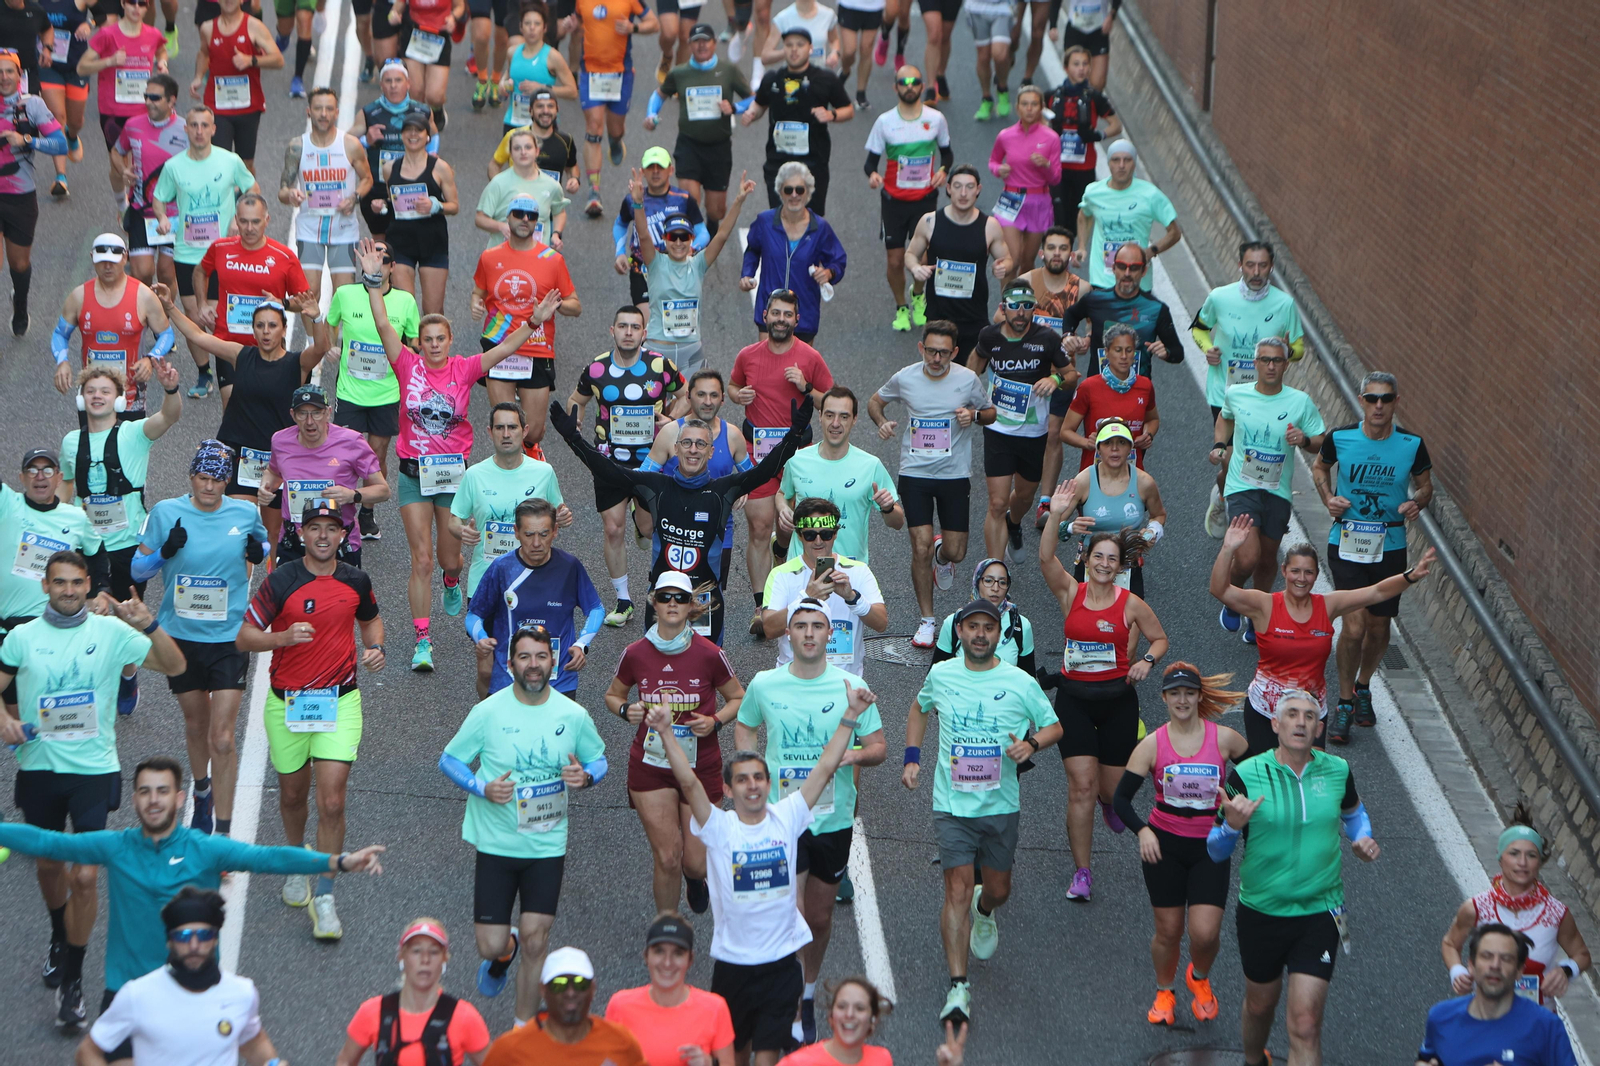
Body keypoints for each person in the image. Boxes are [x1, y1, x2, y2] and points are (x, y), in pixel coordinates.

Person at [0, 756, 384, 1051]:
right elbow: (49, 843)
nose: (154, 800)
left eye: (163, 791)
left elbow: (267, 858)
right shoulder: (115, 847)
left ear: (179, 798)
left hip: (194, 992)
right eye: (146, 791)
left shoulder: (204, 850)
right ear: (134, 798)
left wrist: (337, 861)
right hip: (124, 994)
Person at [0, 552, 184, 1028]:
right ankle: (59, 935)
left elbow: (175, 664)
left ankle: (74, 982)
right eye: (58, 583)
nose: (67, 590)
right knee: (48, 866)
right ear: (45, 587)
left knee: (84, 875)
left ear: (87, 586)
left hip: (94, 770)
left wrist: (148, 625)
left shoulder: (110, 633)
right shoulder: (21, 638)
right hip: (39, 769)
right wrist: (4, 719)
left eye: (76, 582)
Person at [653, 661, 867, 1066]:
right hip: (733, 967)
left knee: (767, 1058)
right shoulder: (718, 827)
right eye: (743, 779)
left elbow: (823, 768)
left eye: (758, 778)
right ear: (730, 790)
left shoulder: (788, 816)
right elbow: (687, 782)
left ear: (769, 785)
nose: (752, 785)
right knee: (733, 1056)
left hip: (782, 966)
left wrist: (850, 715)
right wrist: (665, 731)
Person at [355, 240, 537, 670]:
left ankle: (452, 580)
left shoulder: (465, 368)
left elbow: (505, 350)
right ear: (419, 342)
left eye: (441, 339)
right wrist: (373, 282)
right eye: (428, 339)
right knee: (419, 557)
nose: (434, 345)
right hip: (413, 473)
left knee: (447, 558)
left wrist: (534, 322)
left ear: (451, 341)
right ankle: (423, 640)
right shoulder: (407, 364)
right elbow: (383, 326)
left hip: (454, 478)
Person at [902, 598, 1063, 1027]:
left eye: (987, 628)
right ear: (959, 633)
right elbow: (919, 709)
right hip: (951, 803)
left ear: (997, 635)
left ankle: (986, 910)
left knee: (998, 889)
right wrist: (912, 757)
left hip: (1000, 804)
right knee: (954, 888)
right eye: (971, 627)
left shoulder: (1019, 682)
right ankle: (959, 986)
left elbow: (1053, 726)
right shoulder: (942, 674)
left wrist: (1031, 745)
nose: (979, 634)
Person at [437, 625, 607, 1025]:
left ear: (553, 662)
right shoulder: (488, 712)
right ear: (510, 663)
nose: (534, 665)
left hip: (547, 845)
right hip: (497, 842)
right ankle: (503, 949)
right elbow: (449, 759)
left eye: (541, 657)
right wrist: (481, 787)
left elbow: (599, 759)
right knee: (489, 944)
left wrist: (586, 778)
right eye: (525, 657)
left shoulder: (572, 714)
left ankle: (521, 1033)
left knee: (537, 941)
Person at [236, 500, 387, 940]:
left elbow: (372, 623)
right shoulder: (281, 580)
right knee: (291, 796)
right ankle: (295, 859)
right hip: (288, 704)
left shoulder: (356, 579)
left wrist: (376, 648)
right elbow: (244, 636)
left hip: (339, 703)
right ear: (301, 533)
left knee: (333, 801)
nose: (323, 535)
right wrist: (281, 637)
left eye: (332, 528)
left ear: (344, 535)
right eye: (315, 527)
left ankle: (325, 893)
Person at [551, 395, 815, 645]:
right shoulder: (655, 485)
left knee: (704, 675)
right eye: (686, 443)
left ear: (711, 452)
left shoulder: (723, 491)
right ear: (675, 449)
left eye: (701, 444)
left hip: (705, 601)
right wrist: (571, 437)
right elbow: (607, 470)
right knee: (656, 668)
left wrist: (794, 434)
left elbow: (765, 471)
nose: (693, 450)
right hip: (662, 598)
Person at [738, 596, 886, 1042]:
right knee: (793, 910)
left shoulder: (849, 685)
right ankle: (781, 994)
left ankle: (805, 991)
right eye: (799, 625)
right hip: (784, 819)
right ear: (789, 634)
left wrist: (845, 757)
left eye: (816, 626)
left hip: (833, 818)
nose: (806, 633)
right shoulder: (765, 683)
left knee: (819, 918)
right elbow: (745, 723)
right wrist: (747, 769)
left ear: (830, 634)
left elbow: (878, 747)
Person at [1207, 690, 1380, 1066]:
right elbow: (1215, 851)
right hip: (1262, 910)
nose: (1301, 722)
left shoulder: (1338, 770)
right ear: (1275, 724)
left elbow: (1354, 814)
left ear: (1319, 728)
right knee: (1260, 1005)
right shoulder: (1247, 775)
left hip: (1322, 912)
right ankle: (1254, 1059)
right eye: (1292, 715)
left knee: (1305, 1023)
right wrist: (1231, 828)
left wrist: (1362, 837)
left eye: (1309, 716)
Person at [1039, 475, 1167, 902]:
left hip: (1117, 703)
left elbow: (1160, 639)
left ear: (1121, 565)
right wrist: (1057, 515)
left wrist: (1147, 662)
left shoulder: (1130, 603)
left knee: (1109, 791)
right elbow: (1044, 561)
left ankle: (1111, 802)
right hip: (1074, 699)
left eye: (1113, 559)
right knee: (1080, 786)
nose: (1106, 564)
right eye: (1099, 556)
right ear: (1087, 558)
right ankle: (1082, 872)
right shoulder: (1070, 593)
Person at [132, 440, 268, 838]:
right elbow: (139, 571)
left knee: (222, 737)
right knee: (196, 725)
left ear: (227, 481)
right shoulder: (166, 512)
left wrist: (256, 552)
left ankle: (222, 833)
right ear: (191, 477)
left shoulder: (244, 512)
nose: (209, 487)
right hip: (181, 639)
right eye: (203, 478)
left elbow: (261, 546)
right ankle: (202, 791)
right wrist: (164, 552)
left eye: (218, 480)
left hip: (228, 637)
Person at [1212, 518, 1436, 758]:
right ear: (1284, 571)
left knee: (1313, 777)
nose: (1301, 578)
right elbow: (1219, 589)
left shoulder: (1328, 606)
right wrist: (1228, 549)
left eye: (1309, 572)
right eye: (1295, 571)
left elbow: (1376, 592)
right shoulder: (1264, 605)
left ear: (1317, 575)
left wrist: (1411, 576)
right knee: (1269, 782)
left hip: (1310, 713)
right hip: (1266, 711)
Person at [1112, 662, 1248, 1026]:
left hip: (1210, 847)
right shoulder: (1152, 745)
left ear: (1200, 696)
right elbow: (1121, 799)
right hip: (1164, 846)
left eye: (1189, 692)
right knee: (1168, 930)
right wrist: (1142, 831)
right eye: (1175, 694)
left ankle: (1199, 978)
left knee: (1205, 933)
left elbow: (1256, 773)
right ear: (1165, 698)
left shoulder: (1224, 739)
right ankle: (1164, 990)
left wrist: (1232, 799)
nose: (1183, 700)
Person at [605, 571, 743, 915]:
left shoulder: (709, 654)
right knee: (667, 857)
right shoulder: (635, 653)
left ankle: (696, 879)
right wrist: (626, 710)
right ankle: (667, 930)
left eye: (679, 598)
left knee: (694, 863)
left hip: (701, 767)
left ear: (690, 606)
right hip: (651, 766)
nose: (671, 604)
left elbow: (739, 697)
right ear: (653, 602)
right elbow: (613, 694)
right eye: (664, 597)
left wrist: (715, 721)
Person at [155, 287, 327, 552]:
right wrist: (169, 307)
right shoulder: (241, 355)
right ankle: (238, 590)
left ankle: (271, 588)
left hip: (276, 462)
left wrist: (316, 318)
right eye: (260, 326)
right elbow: (197, 335)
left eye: (272, 326)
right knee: (238, 531)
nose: (266, 331)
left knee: (272, 535)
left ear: (283, 329)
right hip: (239, 457)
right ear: (253, 330)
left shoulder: (297, 363)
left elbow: (320, 347)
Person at [1312, 371, 1434, 741]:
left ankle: (1364, 685)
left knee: (1380, 627)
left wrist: (1417, 503)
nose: (1378, 405)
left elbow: (1426, 486)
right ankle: (1345, 702)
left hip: (1390, 545)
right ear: (1361, 401)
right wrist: (1327, 498)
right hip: (1348, 542)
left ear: (1396, 402)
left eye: (1385, 399)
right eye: (1371, 398)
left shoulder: (1412, 444)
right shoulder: (1340, 438)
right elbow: (1319, 467)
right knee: (1354, 626)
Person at [868, 320, 995, 648]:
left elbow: (990, 412)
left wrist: (975, 417)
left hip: (954, 474)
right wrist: (882, 423)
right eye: (931, 351)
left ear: (954, 352)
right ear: (921, 348)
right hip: (915, 473)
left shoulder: (967, 380)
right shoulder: (906, 377)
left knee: (957, 551)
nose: (936, 358)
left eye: (944, 352)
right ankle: (927, 620)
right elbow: (874, 402)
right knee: (918, 545)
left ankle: (943, 554)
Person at [566, 303, 687, 621]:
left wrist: (670, 419)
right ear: (613, 331)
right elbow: (576, 400)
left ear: (644, 333)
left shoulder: (660, 366)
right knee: (612, 528)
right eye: (623, 326)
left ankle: (640, 521)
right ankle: (623, 601)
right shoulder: (596, 369)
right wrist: (574, 423)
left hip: (651, 462)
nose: (629, 332)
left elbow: (686, 392)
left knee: (650, 529)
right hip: (609, 462)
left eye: (635, 327)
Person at [78, 887, 282, 1066]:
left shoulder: (242, 993)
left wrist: (272, 1063)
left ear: (215, 940)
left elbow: (253, 1043)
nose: (194, 946)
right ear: (169, 942)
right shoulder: (137, 995)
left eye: (203, 935)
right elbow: (88, 1051)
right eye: (183, 936)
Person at [1208, 337, 1326, 641]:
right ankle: (1232, 597)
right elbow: (1224, 418)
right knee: (1247, 557)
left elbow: (1320, 441)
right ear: (1256, 363)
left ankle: (1256, 612)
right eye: (1265, 360)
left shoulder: (1299, 402)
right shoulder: (1237, 393)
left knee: (1266, 558)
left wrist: (1304, 440)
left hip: (1277, 490)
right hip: (1241, 485)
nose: (1271, 366)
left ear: (1286, 364)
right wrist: (1221, 445)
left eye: (1277, 360)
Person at [729, 290, 832, 631]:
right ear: (765, 314)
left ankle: (784, 550)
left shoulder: (810, 357)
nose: (781, 320)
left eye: (788, 315)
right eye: (776, 313)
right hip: (758, 452)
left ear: (797, 320)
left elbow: (830, 402)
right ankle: (762, 608)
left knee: (793, 527)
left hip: (798, 455)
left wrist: (806, 387)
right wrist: (737, 394)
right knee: (758, 527)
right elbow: (732, 386)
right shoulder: (748, 355)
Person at [149, 106, 260, 399]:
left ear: (213, 129)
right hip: (187, 252)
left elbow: (252, 189)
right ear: (186, 129)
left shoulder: (230, 160)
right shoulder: (174, 166)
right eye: (194, 125)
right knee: (195, 316)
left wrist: (238, 218)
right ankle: (203, 373)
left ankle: (232, 373)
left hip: (223, 251)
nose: (199, 131)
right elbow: (159, 198)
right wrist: (162, 217)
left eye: (204, 126)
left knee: (220, 316)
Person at [1440, 809, 1592, 1007]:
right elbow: (1450, 943)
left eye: (1531, 855)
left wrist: (1566, 970)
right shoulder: (1476, 908)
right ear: (1500, 857)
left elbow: (1582, 955)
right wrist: (1457, 972)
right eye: (1514, 853)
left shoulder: (1556, 914)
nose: (1522, 863)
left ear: (1540, 862)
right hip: (1487, 1020)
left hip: (1536, 1025)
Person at [58, 363, 183, 601]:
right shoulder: (70, 441)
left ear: (118, 400)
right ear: (81, 398)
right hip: (85, 546)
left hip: (126, 547)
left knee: (128, 618)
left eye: (105, 391)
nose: (97, 396)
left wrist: (171, 389)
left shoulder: (134, 433)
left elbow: (169, 416)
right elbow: (65, 483)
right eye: (90, 391)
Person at [471, 192, 581, 454]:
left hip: (537, 347)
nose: (524, 220)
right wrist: (475, 302)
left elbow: (575, 305)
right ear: (507, 217)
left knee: (534, 429)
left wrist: (554, 306)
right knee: (505, 423)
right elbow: (479, 291)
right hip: (499, 345)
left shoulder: (552, 260)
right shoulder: (489, 257)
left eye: (531, 216)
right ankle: (514, 479)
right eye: (518, 214)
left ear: (537, 221)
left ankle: (529, 458)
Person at [968, 279, 1070, 561]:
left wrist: (1055, 378)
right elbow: (971, 369)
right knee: (997, 503)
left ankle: (1014, 523)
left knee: (1023, 497)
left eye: (1027, 306)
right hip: (998, 429)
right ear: (1004, 308)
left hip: (1033, 433)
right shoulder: (989, 337)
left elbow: (1072, 375)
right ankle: (994, 572)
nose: (1021, 312)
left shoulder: (1047, 338)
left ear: (1034, 309)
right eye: (1015, 307)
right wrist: (966, 394)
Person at [327, 234, 418, 542]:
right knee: (346, 450)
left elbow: (414, 343)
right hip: (350, 391)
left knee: (377, 454)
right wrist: (329, 347)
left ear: (392, 267)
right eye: (372, 257)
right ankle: (340, 511)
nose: (377, 262)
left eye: (383, 258)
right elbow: (330, 324)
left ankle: (366, 510)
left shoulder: (405, 301)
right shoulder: (345, 294)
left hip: (386, 393)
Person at [466, 497, 603, 694]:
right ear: (516, 532)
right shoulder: (502, 568)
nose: (537, 543)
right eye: (529, 535)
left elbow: (596, 608)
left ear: (555, 531)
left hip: (559, 681)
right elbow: (474, 614)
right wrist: (481, 638)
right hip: (509, 681)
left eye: (544, 534)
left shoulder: (569, 567)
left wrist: (582, 644)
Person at [192, 193, 309, 407]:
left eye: (255, 221)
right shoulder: (221, 248)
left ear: (267, 220)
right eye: (244, 221)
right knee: (231, 408)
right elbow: (200, 271)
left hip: (269, 346)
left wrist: (282, 303)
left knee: (267, 408)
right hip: (228, 342)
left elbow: (305, 302)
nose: (249, 228)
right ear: (236, 220)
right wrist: (202, 305)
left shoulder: (284, 257)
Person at [450, 402, 571, 607]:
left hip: (534, 578)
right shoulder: (474, 475)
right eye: (499, 428)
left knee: (530, 639)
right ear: (490, 432)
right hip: (486, 580)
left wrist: (563, 517)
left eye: (512, 427)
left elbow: (559, 513)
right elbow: (454, 519)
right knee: (486, 639)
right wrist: (461, 531)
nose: (506, 434)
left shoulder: (544, 472)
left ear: (524, 431)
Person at [632, 174, 753, 378]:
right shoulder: (655, 262)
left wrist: (738, 201)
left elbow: (722, 235)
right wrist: (637, 204)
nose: (678, 243)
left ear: (691, 239)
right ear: (664, 238)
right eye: (673, 237)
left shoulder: (698, 264)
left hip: (691, 351)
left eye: (684, 237)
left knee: (691, 405)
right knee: (657, 407)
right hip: (658, 349)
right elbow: (643, 235)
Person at [258, 382, 390, 568]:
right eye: (302, 414)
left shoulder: (351, 442)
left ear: (328, 413)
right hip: (294, 542)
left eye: (317, 413)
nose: (310, 421)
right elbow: (273, 471)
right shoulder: (280, 441)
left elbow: (383, 490)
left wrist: (352, 495)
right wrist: (265, 486)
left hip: (338, 542)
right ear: (293, 415)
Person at [1418, 923, 1581, 1066]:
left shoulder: (1546, 1027)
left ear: (1519, 971)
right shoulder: (1440, 1017)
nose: (1495, 965)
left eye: (1506, 959)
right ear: (1471, 966)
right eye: (1486, 956)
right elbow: (1425, 1060)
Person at [52, 231, 175, 419]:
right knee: (93, 447)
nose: (107, 267)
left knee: (130, 447)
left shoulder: (143, 296)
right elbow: (60, 333)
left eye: (113, 261)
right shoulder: (79, 296)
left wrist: (150, 359)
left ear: (125, 257)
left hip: (131, 394)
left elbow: (166, 334)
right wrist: (62, 361)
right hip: (93, 394)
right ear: (92, 258)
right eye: (102, 261)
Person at [863, 63, 950, 332]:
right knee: (896, 260)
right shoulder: (885, 122)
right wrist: (873, 176)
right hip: (893, 201)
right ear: (895, 88)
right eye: (904, 82)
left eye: (915, 82)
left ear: (923, 86)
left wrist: (944, 171)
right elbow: (870, 163)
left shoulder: (935, 119)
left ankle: (918, 295)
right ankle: (901, 307)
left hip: (925, 199)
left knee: (923, 259)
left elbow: (947, 154)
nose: (909, 86)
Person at [338, 918, 493, 1066]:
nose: (425, 959)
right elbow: (345, 1061)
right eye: (416, 951)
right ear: (401, 956)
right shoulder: (373, 1012)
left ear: (444, 959)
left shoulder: (464, 1017)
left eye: (433, 952)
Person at [760, 496, 888, 673]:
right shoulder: (781, 574)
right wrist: (806, 598)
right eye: (810, 535)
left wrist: (852, 598)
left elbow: (881, 623)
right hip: (794, 684)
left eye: (826, 534)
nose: (819, 541)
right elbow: (769, 628)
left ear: (835, 534)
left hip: (843, 685)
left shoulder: (858, 571)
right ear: (799, 536)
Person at [777, 385, 903, 565]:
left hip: (849, 569)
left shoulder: (870, 465)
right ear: (819, 416)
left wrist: (888, 508)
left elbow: (897, 522)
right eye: (829, 415)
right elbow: (782, 494)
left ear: (854, 419)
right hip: (802, 567)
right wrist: (783, 508)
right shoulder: (797, 460)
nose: (835, 423)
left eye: (844, 417)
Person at [647, 370, 751, 586]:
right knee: (671, 603)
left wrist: (744, 488)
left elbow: (750, 475)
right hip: (673, 534)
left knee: (710, 604)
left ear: (723, 399)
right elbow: (642, 476)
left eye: (714, 395)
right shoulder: (670, 433)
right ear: (688, 397)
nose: (707, 401)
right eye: (701, 394)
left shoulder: (732, 435)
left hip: (718, 536)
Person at [1007, 228, 1081, 528]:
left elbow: (1093, 329)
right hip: (1027, 373)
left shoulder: (1082, 288)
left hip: (1063, 373)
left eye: (1063, 248)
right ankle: (1018, 491)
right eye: (1051, 247)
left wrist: (1083, 342)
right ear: (1041, 252)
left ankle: (1046, 501)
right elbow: (1001, 318)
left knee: (1053, 434)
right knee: (1021, 437)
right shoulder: (1026, 282)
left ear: (1071, 254)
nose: (1056, 253)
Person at [647, 23, 752, 234]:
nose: (701, 45)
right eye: (697, 41)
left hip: (718, 147)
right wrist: (651, 114)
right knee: (689, 201)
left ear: (714, 43)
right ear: (690, 45)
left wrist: (734, 108)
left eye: (706, 40)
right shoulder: (680, 72)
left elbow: (753, 98)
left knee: (716, 210)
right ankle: (693, 243)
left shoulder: (728, 70)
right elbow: (660, 94)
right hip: (689, 144)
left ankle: (711, 225)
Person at [904, 164, 1012, 360]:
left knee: (968, 377)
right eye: (958, 186)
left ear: (978, 190)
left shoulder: (989, 226)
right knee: (937, 371)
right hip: (938, 315)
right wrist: (915, 267)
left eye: (970, 187)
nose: (963, 193)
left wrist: (1003, 267)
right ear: (948, 188)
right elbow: (910, 254)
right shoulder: (930, 221)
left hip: (973, 315)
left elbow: (1008, 260)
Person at [0, 47, 72, 336]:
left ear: (19, 75)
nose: (3, 77)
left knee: (19, 263)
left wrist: (27, 139)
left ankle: (20, 302)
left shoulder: (32, 105)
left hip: (20, 195)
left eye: (8, 71)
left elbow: (60, 145)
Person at [744, 27, 852, 215]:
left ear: (810, 48)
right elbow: (760, 104)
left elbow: (848, 110)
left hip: (813, 162)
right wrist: (751, 114)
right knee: (779, 217)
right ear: (783, 49)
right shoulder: (772, 78)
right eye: (789, 45)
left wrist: (831, 115)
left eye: (800, 45)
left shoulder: (825, 79)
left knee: (812, 220)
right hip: (778, 162)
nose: (794, 50)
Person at [480, 946, 648, 1066]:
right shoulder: (508, 1051)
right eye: (559, 984)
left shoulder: (620, 1042)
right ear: (543, 990)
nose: (570, 992)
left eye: (580, 983)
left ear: (593, 989)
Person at [605, 914, 736, 1066]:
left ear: (690, 960)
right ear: (646, 956)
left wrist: (710, 1064)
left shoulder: (715, 1008)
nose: (667, 962)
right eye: (659, 951)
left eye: (678, 953)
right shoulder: (620, 1005)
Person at [1057, 420, 1165, 598]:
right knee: (1086, 623)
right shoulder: (1083, 481)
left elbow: (1159, 514)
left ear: (1130, 448)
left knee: (1130, 623)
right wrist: (1068, 527)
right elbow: (1054, 524)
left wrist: (1153, 531)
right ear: (1099, 449)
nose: (1114, 449)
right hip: (1090, 563)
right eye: (1108, 443)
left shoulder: (1144, 482)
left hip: (1128, 564)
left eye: (1121, 443)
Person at [280, 87, 372, 298]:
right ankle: (314, 334)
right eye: (318, 108)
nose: (323, 114)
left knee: (344, 295)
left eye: (329, 109)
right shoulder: (297, 146)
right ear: (308, 111)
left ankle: (336, 333)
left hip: (343, 228)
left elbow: (367, 178)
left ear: (336, 112)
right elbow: (283, 190)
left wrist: (354, 197)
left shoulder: (350, 145)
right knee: (307, 294)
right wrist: (291, 195)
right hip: (309, 229)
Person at [739, 166, 846, 344]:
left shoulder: (819, 228)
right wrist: (746, 274)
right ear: (780, 192)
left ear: (808, 193)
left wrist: (829, 273)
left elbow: (838, 260)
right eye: (788, 190)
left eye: (800, 190)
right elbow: (753, 249)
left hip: (803, 315)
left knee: (798, 370)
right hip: (770, 312)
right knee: (768, 369)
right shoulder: (765, 222)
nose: (794, 195)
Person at [572, 0, 658, 218]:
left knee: (615, 128)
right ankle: (594, 191)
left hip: (620, 73)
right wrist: (569, 25)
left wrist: (633, 28)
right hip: (590, 72)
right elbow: (578, 20)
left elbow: (653, 23)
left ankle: (615, 140)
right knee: (593, 127)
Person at [374, 110, 459, 316]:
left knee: (433, 311)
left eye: (418, 131)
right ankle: (407, 349)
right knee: (406, 307)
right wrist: (382, 206)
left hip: (433, 241)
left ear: (427, 136)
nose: (413, 135)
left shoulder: (440, 168)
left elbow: (454, 205)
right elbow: (392, 202)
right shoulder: (389, 168)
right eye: (408, 131)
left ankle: (436, 348)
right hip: (401, 242)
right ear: (402, 136)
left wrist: (435, 206)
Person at [106, 71, 185, 289]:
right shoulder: (133, 125)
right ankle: (144, 318)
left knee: (167, 274)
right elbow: (116, 151)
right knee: (142, 272)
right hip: (142, 209)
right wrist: (123, 170)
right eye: (146, 96)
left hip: (174, 213)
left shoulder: (187, 130)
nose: (148, 102)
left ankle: (164, 319)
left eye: (155, 98)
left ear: (171, 101)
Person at [1073, 139, 1181, 295]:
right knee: (1101, 320)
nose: (1121, 165)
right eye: (1116, 160)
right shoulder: (1093, 192)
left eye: (1127, 160)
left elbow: (1174, 232)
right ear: (1109, 163)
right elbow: (1084, 215)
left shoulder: (1150, 195)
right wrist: (1082, 246)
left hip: (1138, 282)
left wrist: (1151, 251)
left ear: (1134, 163)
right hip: (1102, 279)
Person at [1061, 241, 1182, 378]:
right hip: (1098, 389)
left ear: (1144, 271)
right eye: (1122, 266)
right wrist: (1068, 335)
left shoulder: (1156, 309)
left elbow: (1178, 353)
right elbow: (1071, 314)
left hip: (1136, 392)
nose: (1127, 273)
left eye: (1134, 268)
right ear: (1113, 268)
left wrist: (1167, 353)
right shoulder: (1095, 299)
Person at [1059, 321, 1160, 483]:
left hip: (1132, 473)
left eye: (1129, 350)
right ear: (1107, 352)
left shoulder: (1145, 386)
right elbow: (1065, 431)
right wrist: (1087, 443)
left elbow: (1153, 419)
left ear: (1135, 353)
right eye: (1118, 350)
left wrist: (1148, 434)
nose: (1124, 356)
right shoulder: (1089, 387)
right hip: (1094, 474)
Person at [193, 0, 284, 172]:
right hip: (218, 107)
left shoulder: (254, 26)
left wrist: (251, 60)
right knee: (220, 162)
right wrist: (198, 77)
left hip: (248, 107)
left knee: (246, 164)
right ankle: (226, 199)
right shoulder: (207, 28)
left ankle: (248, 199)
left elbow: (278, 60)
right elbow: (204, 53)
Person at [613, 150, 706, 315]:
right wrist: (620, 252)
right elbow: (620, 224)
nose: (655, 171)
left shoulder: (683, 199)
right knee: (649, 323)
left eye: (660, 167)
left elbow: (703, 232)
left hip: (677, 268)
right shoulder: (632, 200)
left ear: (670, 170)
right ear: (643, 171)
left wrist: (693, 248)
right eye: (650, 167)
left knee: (674, 322)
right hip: (642, 269)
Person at [354, 60, 435, 238]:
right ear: (381, 84)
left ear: (408, 83)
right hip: (378, 188)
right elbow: (346, 143)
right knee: (382, 245)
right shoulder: (368, 113)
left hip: (412, 187)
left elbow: (434, 135)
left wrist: (432, 155)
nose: (393, 86)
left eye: (398, 80)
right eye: (388, 81)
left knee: (409, 241)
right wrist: (365, 140)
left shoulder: (422, 111)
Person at [986, 85, 1058, 283]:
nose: (1029, 109)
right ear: (1017, 107)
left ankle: (1023, 306)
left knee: (1027, 262)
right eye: (1025, 104)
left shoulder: (1051, 138)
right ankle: (1005, 308)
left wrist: (1046, 165)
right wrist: (998, 169)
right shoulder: (1005, 135)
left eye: (1034, 104)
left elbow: (1056, 178)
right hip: (1011, 199)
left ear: (1041, 107)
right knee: (1011, 259)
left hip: (1038, 201)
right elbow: (993, 161)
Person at [1046, 45, 1119, 241]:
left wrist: (1098, 135)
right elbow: (1037, 122)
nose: (1081, 68)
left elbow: (1116, 125)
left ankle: (1069, 256)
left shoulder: (1094, 97)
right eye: (1076, 64)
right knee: (1059, 218)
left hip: (1084, 169)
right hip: (1058, 168)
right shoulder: (1052, 96)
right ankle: (1061, 262)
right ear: (1066, 68)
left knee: (1076, 220)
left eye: (1085, 64)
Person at [930, 558, 1034, 674]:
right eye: (988, 581)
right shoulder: (953, 622)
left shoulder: (1021, 626)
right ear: (977, 582)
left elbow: (1029, 680)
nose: (995, 588)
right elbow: (935, 677)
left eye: (1002, 582)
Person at [478, 126, 570, 250]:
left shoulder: (551, 185)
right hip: (503, 255)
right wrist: (501, 226)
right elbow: (480, 218)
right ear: (510, 154)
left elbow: (559, 212)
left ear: (537, 151)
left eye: (528, 147)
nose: (523, 152)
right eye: (517, 148)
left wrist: (556, 234)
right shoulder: (498, 183)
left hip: (537, 258)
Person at [494, 5, 578, 140]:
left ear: (544, 28)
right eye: (527, 23)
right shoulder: (512, 52)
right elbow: (508, 77)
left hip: (544, 126)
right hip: (513, 123)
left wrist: (543, 89)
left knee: (541, 162)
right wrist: (503, 87)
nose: (532, 28)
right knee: (515, 161)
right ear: (521, 27)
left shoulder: (552, 57)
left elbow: (572, 91)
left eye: (537, 24)